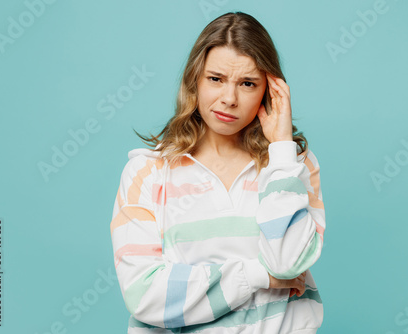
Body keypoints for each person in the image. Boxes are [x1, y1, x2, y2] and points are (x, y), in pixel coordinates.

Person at [110, 11, 326, 333]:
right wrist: (259, 276)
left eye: (248, 83)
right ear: (194, 79)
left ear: (270, 91)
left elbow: (288, 263)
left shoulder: (290, 165)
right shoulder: (148, 172)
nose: (229, 99)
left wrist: (281, 147)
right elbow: (145, 296)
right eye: (216, 79)